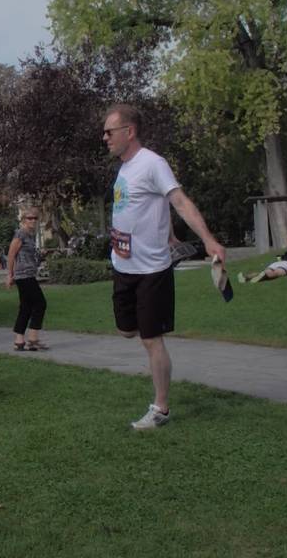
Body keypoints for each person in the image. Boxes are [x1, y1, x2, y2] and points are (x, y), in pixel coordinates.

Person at [103, 103, 226, 430]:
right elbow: (149, 205)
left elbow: (179, 201)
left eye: (109, 132)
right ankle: (145, 339)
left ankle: (161, 409)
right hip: (122, 266)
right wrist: (168, 231)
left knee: (151, 339)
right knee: (127, 331)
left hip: (151, 271)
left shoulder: (153, 163)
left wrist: (209, 240)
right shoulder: (124, 169)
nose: (105, 138)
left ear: (129, 132)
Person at [4, 207, 48, 351]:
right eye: (30, 218)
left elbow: (28, 256)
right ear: (23, 220)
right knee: (40, 303)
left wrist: (40, 255)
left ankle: (19, 340)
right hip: (24, 275)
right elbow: (11, 255)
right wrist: (9, 275)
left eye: (35, 218)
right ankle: (33, 338)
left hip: (29, 273)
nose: (33, 220)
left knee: (26, 307)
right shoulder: (21, 234)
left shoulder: (30, 234)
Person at [238, 216, 287, 283]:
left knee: (264, 271)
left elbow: (280, 257)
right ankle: (262, 277)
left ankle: (247, 277)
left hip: (281, 262)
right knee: (276, 273)